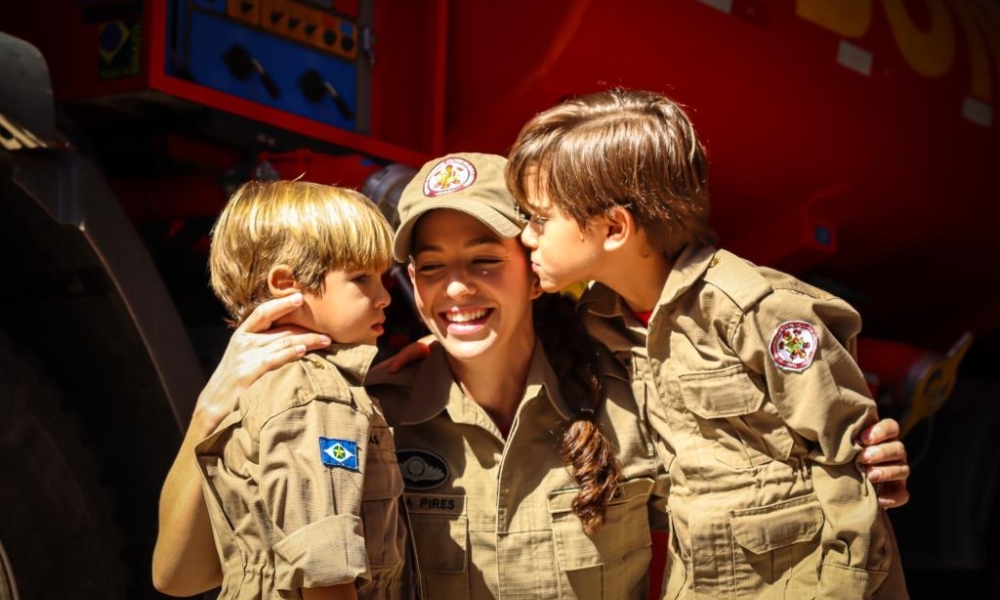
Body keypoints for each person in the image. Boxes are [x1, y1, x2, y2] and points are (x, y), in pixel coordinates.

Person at [154, 154, 911, 600]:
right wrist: (205, 420)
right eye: (428, 268)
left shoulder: (631, 396)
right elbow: (183, 578)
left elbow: (768, 508)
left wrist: (859, 455)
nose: (454, 292)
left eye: (485, 262)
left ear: (534, 271)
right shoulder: (365, 412)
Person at [505, 88, 909, 598]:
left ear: (613, 228)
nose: (526, 236)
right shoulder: (603, 319)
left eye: (540, 218)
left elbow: (852, 473)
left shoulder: (754, 309)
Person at [165, 180, 417, 599]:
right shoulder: (320, 394)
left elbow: (174, 579)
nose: (384, 298)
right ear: (286, 284)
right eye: (362, 279)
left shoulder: (254, 388)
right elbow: (325, 578)